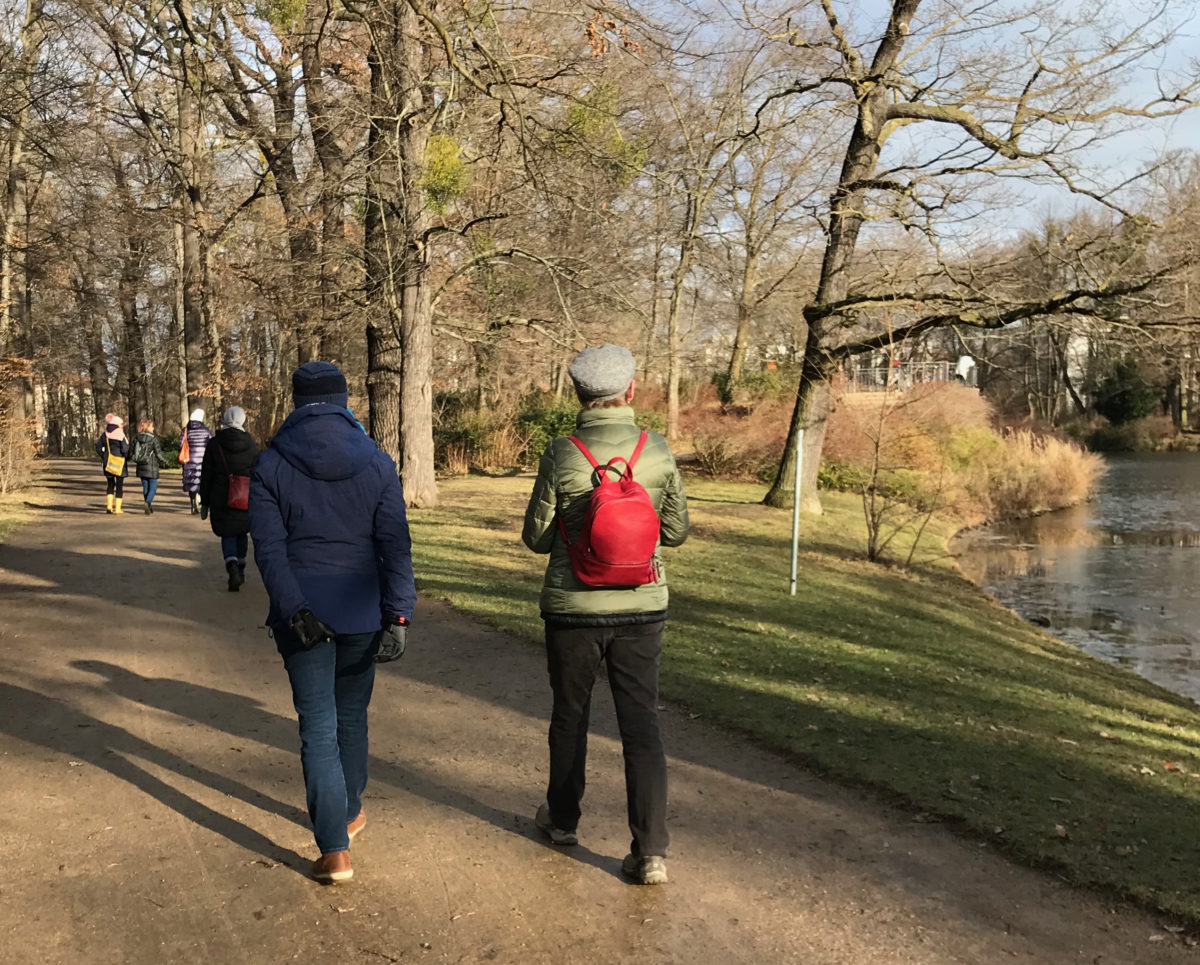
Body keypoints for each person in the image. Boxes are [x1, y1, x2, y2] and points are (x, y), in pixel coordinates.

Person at [522, 343, 690, 886]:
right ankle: (651, 851)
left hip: (573, 608)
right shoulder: (657, 449)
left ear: (577, 393)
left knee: (570, 716)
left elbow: (536, 537)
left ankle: (564, 821)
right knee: (642, 726)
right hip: (643, 606)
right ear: (631, 391)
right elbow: (675, 533)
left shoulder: (561, 452)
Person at [250, 361, 416, 884]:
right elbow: (395, 545)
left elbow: (270, 550)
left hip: (303, 614)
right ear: (346, 400)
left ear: (296, 401)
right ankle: (347, 812)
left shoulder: (271, 463)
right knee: (352, 716)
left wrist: (295, 608)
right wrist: (399, 612)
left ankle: (335, 849)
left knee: (318, 727)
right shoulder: (377, 463)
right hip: (362, 609)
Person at [199, 406, 259, 591]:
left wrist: (205, 501)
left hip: (221, 496)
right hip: (244, 496)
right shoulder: (251, 444)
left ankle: (231, 564)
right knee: (242, 531)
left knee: (228, 533)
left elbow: (206, 474)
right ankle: (240, 567)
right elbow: (258, 472)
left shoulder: (215, 444)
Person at [95, 414, 131, 515]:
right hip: (119, 463)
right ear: (116, 424)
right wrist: (125, 456)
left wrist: (104, 456)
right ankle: (118, 508)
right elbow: (125, 449)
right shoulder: (120, 434)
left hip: (108, 462)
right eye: (121, 424)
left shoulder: (105, 434)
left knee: (110, 484)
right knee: (119, 486)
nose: (122, 425)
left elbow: (98, 447)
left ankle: (109, 506)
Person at [179, 409, 212, 514]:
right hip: (203, 461)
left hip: (189, 460)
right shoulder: (206, 431)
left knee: (191, 483)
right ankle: (203, 502)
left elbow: (180, 445)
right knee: (202, 482)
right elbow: (211, 445)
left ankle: (193, 505)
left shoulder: (185, 431)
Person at [131, 419, 166, 514]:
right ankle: (147, 502)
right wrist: (165, 461)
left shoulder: (136, 438)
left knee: (145, 487)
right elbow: (158, 454)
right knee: (153, 488)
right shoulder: (154, 439)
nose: (153, 428)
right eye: (152, 426)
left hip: (141, 466)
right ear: (147, 427)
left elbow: (132, 451)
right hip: (152, 466)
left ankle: (149, 507)